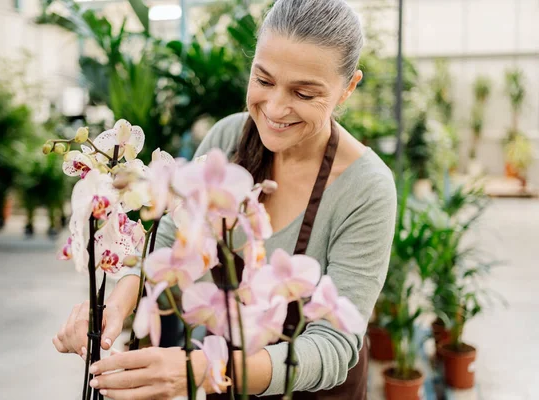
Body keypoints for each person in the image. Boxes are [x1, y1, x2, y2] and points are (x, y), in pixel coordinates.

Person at [53, 0, 397, 398]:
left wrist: (202, 368)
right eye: (264, 80)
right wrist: (116, 304)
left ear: (348, 88)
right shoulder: (229, 139)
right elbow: (169, 240)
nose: (275, 108)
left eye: (304, 93)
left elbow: (335, 346)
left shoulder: (365, 188)